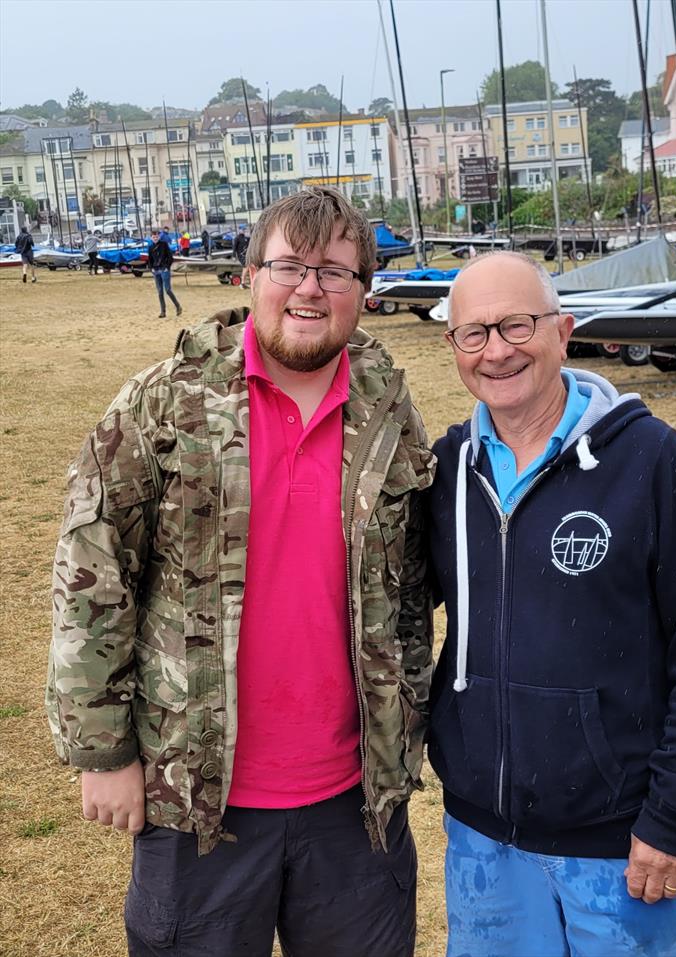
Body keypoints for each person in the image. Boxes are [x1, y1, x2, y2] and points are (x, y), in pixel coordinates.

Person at [46, 186, 434, 957]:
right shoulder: (165, 403)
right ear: (251, 275)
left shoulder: (389, 412)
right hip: (198, 803)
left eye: (335, 271)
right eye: (290, 265)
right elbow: (91, 571)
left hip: (355, 803)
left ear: (364, 291)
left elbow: (413, 586)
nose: (310, 288)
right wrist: (104, 752)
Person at [425, 251, 676, 957]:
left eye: (517, 325)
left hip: (625, 844)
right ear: (452, 346)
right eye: (473, 333)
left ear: (563, 330)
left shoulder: (648, 457)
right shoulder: (446, 471)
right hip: (484, 848)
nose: (498, 350)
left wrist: (673, 816)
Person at [147, 228, 182, 319]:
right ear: (151, 238)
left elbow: (170, 257)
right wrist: (151, 269)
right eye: (154, 237)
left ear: (159, 237)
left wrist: (167, 267)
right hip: (156, 270)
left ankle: (178, 306)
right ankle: (163, 311)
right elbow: (150, 260)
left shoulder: (164, 245)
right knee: (160, 292)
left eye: (157, 236)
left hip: (164, 269)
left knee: (167, 290)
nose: (155, 238)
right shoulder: (150, 247)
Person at [233, 222, 250, 288]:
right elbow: (234, 248)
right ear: (239, 230)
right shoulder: (237, 238)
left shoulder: (246, 238)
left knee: (248, 267)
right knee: (246, 267)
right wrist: (234, 256)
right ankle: (242, 283)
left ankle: (244, 282)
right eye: (242, 229)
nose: (243, 230)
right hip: (241, 255)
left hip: (247, 255)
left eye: (244, 229)